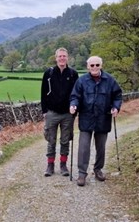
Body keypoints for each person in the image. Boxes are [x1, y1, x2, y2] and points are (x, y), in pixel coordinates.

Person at [69, 56, 122, 186]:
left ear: (101, 65)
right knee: (83, 147)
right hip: (86, 119)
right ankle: (82, 174)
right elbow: (75, 96)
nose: (94, 68)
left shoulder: (110, 80)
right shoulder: (81, 81)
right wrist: (73, 105)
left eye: (97, 65)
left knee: (101, 147)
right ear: (88, 67)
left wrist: (116, 107)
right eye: (92, 65)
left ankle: (98, 170)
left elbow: (117, 96)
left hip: (103, 118)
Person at [40, 47, 79, 177]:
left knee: (65, 140)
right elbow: (43, 93)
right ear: (56, 58)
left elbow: (77, 94)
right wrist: (44, 111)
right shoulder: (49, 73)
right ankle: (50, 165)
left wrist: (75, 111)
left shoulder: (73, 74)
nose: (62, 58)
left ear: (67, 58)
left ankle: (63, 165)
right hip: (52, 113)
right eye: (60, 56)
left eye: (64, 56)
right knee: (51, 140)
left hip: (68, 114)